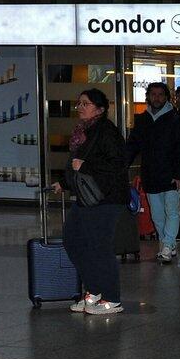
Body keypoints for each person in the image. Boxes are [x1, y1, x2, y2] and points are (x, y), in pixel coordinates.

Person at [55, 89, 128, 315]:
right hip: (87, 197)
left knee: (99, 246)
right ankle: (94, 290)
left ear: (100, 109)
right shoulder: (83, 131)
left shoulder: (106, 131)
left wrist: (86, 166)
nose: (80, 107)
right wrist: (65, 182)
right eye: (79, 103)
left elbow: (118, 164)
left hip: (106, 198)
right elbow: (76, 164)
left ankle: (112, 298)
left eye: (85, 104)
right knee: (73, 240)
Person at [127, 82, 180, 262]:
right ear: (148, 96)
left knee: (172, 211)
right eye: (153, 94)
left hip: (172, 175)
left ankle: (168, 245)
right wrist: (122, 164)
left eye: (160, 94)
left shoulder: (176, 119)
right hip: (151, 175)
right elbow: (133, 145)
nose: (156, 98)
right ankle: (166, 244)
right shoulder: (142, 120)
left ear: (166, 98)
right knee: (157, 215)